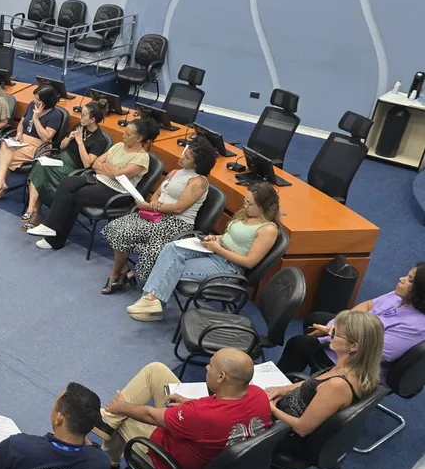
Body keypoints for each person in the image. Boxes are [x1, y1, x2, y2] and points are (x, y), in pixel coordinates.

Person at [96, 349, 271, 469]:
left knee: (123, 415)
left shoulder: (200, 416)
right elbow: (218, 406)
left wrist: (121, 406)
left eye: (211, 365)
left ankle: (111, 463)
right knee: (155, 370)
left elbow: (150, 416)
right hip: (213, 453)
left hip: (170, 461)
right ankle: (107, 421)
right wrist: (189, 403)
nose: (207, 367)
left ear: (221, 376)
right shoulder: (260, 396)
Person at [124, 181, 281, 322]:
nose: (245, 206)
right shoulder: (247, 215)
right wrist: (216, 238)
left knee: (171, 265)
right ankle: (152, 301)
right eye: (245, 201)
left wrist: (218, 248)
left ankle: (151, 301)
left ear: (263, 206)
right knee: (171, 248)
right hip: (215, 252)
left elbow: (249, 262)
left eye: (250, 204)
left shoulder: (268, 229)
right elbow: (233, 236)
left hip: (228, 268)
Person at [99, 139, 216, 293]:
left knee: (141, 243)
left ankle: (116, 275)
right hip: (155, 215)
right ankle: (124, 272)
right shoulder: (175, 172)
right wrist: (153, 204)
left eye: (186, 157)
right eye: (183, 154)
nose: (181, 157)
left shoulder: (199, 182)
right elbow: (157, 195)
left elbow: (179, 208)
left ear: (196, 164)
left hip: (175, 224)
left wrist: (147, 206)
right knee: (116, 228)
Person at [26, 119, 156, 251]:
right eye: (124, 132)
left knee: (74, 197)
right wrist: (109, 169)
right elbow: (96, 164)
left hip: (116, 191)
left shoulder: (142, 159)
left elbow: (118, 176)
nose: (123, 135)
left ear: (139, 138)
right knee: (67, 182)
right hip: (97, 179)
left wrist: (107, 167)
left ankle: (53, 235)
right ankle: (51, 228)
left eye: (128, 134)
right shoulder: (118, 146)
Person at [277, 263, 425, 377]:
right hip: (353, 333)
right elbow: (367, 305)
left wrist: (334, 333)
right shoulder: (401, 295)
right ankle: (316, 373)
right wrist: (338, 324)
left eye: (410, 280)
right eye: (407, 275)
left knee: (298, 345)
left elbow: (372, 353)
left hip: (359, 362)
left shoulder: (416, 327)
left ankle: (280, 390)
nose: (402, 279)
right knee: (315, 318)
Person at [268, 310, 383, 455]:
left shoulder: (338, 386)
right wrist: (283, 389)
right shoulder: (351, 367)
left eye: (336, 333)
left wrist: (271, 408)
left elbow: (301, 429)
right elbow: (316, 383)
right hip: (285, 410)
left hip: (286, 435)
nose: (330, 334)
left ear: (354, 346)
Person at [0, 382, 110, 469]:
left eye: (55, 406)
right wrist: (83, 428)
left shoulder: (19, 447)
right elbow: (90, 448)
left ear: (59, 418)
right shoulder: (101, 462)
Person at [21, 101, 110, 230]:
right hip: (59, 158)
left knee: (40, 170)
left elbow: (87, 163)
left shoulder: (100, 139)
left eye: (83, 115)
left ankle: (34, 213)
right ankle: (33, 210)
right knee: (39, 165)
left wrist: (80, 143)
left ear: (92, 119)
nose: (80, 117)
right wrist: (69, 139)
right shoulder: (79, 126)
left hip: (74, 168)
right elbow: (62, 146)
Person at [0, 85, 63, 204]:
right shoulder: (32, 105)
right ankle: (1, 182)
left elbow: (46, 138)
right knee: (4, 144)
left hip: (38, 146)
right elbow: (21, 123)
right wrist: (19, 133)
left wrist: (36, 119)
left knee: (6, 157)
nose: (35, 101)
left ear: (47, 102)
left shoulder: (55, 114)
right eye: (35, 98)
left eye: (39, 100)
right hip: (22, 141)